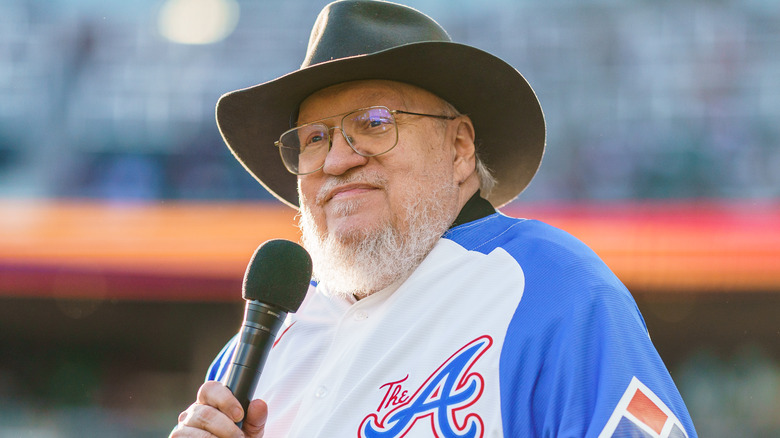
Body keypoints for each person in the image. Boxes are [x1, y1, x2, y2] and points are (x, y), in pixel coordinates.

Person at [171, 1, 697, 437]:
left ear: (460, 147)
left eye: (374, 123)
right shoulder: (259, 348)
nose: (336, 160)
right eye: (314, 139)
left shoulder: (551, 286)